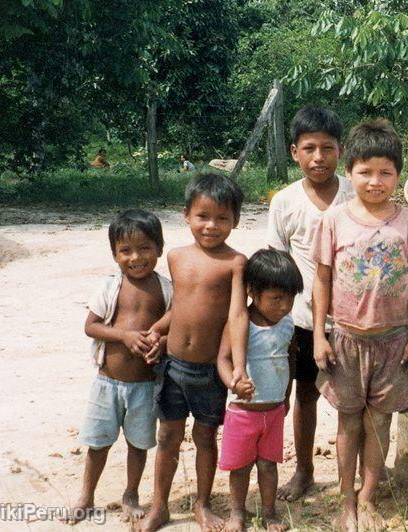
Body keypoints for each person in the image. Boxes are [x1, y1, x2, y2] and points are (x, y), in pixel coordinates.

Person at [311, 119, 408, 531]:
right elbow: (322, 278)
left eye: (386, 172)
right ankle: (346, 504)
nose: (375, 181)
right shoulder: (335, 220)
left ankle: (367, 497)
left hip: (392, 342)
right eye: (365, 172)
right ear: (349, 172)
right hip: (346, 339)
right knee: (349, 422)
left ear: (398, 175)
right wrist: (319, 334)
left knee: (378, 422)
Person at [138, 173, 247, 532]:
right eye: (203, 216)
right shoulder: (175, 256)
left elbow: (236, 314)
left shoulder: (235, 263)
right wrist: (156, 330)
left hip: (208, 370)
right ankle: (160, 506)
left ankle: (202, 503)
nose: (211, 226)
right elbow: (180, 307)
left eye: (222, 218)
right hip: (172, 366)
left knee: (204, 437)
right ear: (186, 215)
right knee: (167, 435)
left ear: (235, 221)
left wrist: (237, 366)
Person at [266, 106, 354, 501]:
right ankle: (304, 470)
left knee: (358, 400)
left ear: (342, 149)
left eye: (327, 148)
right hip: (302, 320)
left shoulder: (357, 194)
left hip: (354, 320)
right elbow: (277, 263)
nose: (318, 158)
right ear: (294, 152)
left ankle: (359, 475)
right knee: (305, 394)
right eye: (309, 149)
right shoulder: (285, 202)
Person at [65, 209, 172, 524]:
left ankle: (131, 494)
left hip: (145, 385)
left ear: (159, 249)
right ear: (114, 254)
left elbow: (174, 324)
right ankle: (86, 496)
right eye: (125, 250)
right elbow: (92, 326)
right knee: (98, 444)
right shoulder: (110, 287)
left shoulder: (166, 289)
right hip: (107, 383)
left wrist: (161, 343)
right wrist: (123, 336)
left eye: (144, 248)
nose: (135, 257)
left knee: (138, 445)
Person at [216, 249, 304, 532]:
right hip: (243, 412)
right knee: (240, 467)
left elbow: (289, 358)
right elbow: (223, 359)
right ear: (253, 291)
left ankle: (269, 512)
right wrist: (234, 382)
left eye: (290, 298)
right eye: (276, 298)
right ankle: (237, 512)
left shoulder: (287, 324)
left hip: (274, 410)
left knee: (269, 465)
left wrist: (287, 395)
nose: (284, 306)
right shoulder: (240, 324)